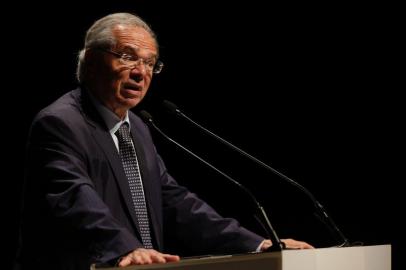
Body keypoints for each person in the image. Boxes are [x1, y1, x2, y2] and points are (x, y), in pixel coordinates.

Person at [17, 12, 313, 270]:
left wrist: (259, 244)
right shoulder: (60, 123)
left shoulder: (137, 128)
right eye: (128, 57)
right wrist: (124, 247)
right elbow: (74, 198)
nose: (140, 73)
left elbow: (175, 202)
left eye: (150, 63)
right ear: (92, 61)